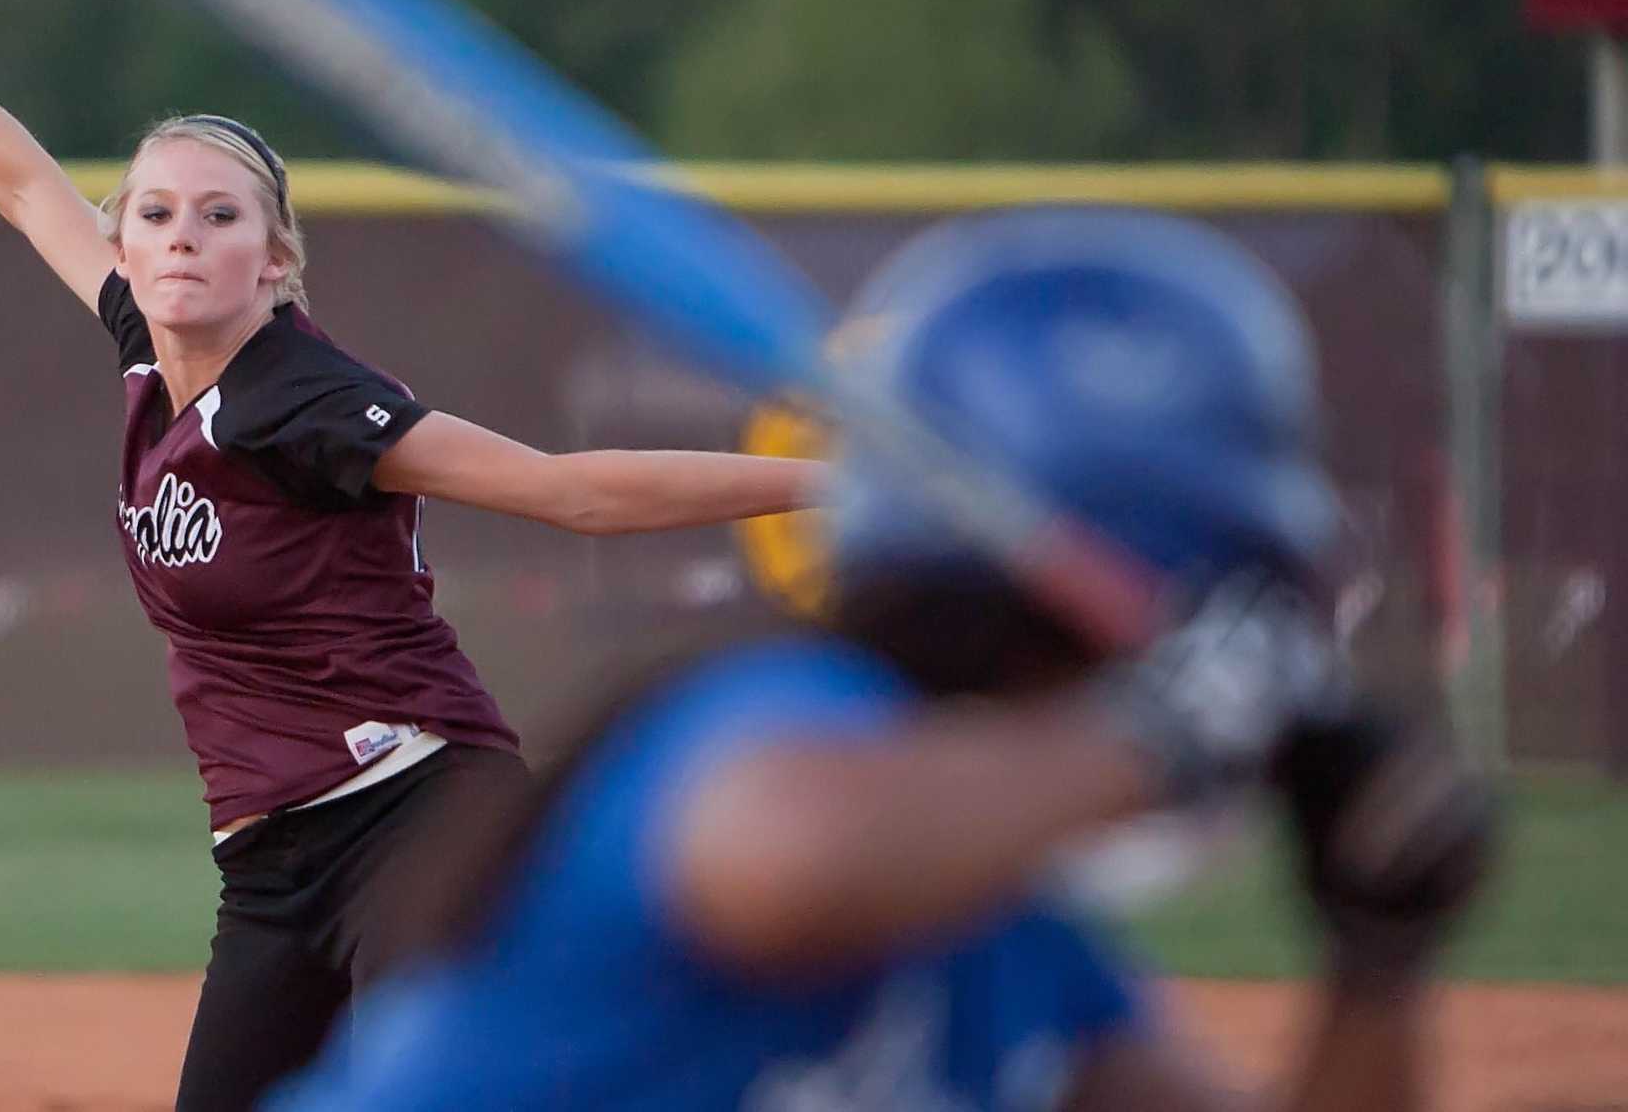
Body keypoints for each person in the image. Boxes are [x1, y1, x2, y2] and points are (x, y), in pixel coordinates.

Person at [0, 0, 822, 1111]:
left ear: (274, 261)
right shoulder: (148, 355)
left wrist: (826, 479)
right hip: (269, 866)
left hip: (416, 816)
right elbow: (23, 183)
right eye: (155, 213)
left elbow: (566, 489)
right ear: (127, 245)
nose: (181, 235)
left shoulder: (309, 403)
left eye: (218, 214)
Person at [267, 206, 1496, 1112]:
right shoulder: (773, 723)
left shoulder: (1004, 934)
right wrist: (1179, 722)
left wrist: (1372, 964)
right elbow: (794, 854)